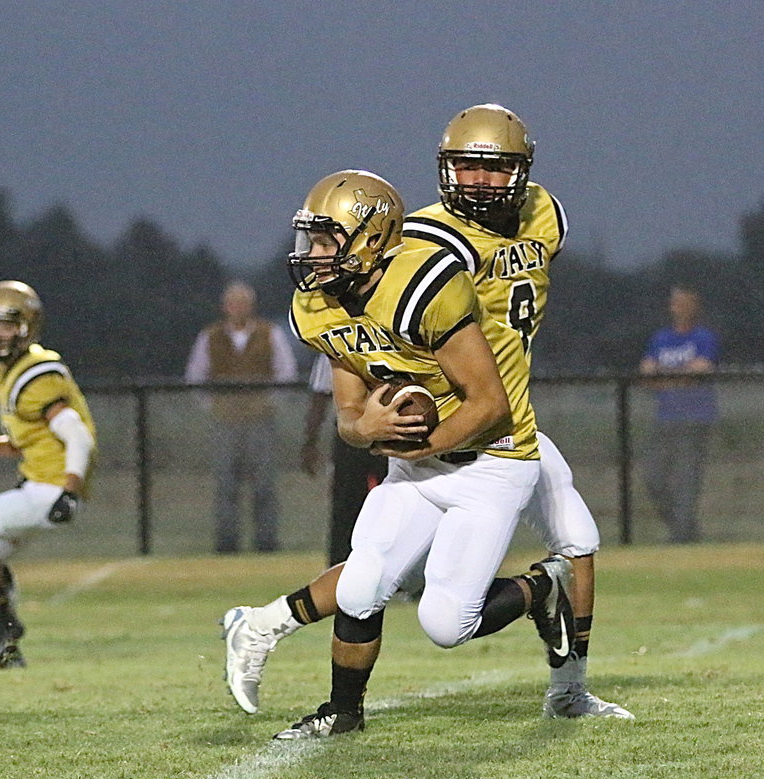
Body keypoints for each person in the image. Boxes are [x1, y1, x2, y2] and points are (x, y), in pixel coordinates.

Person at [224, 104, 632, 722]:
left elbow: (490, 384)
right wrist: (380, 429)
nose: (478, 182)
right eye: (465, 167)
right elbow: (360, 364)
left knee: (577, 542)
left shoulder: (543, 213)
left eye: (495, 169)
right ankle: (327, 691)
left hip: (500, 427)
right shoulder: (422, 247)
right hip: (445, 426)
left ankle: (569, 691)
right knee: (380, 584)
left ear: (523, 172)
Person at [0, 280, 96, 669]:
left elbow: (77, 436)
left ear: (26, 326)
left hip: (51, 488)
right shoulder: (5, 373)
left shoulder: (37, 373)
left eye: (5, 325)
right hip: (39, 481)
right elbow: (31, 439)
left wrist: (70, 490)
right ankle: (6, 643)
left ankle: (2, 628)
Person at [185, 281, 297, 553]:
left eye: (243, 303)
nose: (238, 309)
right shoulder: (209, 336)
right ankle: (226, 543)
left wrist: (269, 404)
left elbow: (286, 372)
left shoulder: (269, 333)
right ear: (225, 307)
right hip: (225, 422)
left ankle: (266, 542)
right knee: (225, 486)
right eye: (233, 303)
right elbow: (195, 375)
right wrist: (213, 406)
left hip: (261, 421)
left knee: (264, 485)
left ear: (252, 306)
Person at [639, 286, 719, 543]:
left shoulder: (704, 338)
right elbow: (647, 374)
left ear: (695, 306)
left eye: (686, 302)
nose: (680, 307)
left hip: (696, 420)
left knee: (687, 480)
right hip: (666, 419)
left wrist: (668, 376)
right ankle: (684, 528)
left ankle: (682, 536)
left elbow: (702, 370)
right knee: (654, 477)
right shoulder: (661, 339)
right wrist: (679, 377)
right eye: (676, 302)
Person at [300, 354, 389, 567]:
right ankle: (340, 568)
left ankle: (405, 570)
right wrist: (310, 442)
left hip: (392, 428)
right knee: (347, 503)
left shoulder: (393, 333)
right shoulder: (334, 340)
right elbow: (321, 395)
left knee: (400, 500)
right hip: (352, 432)